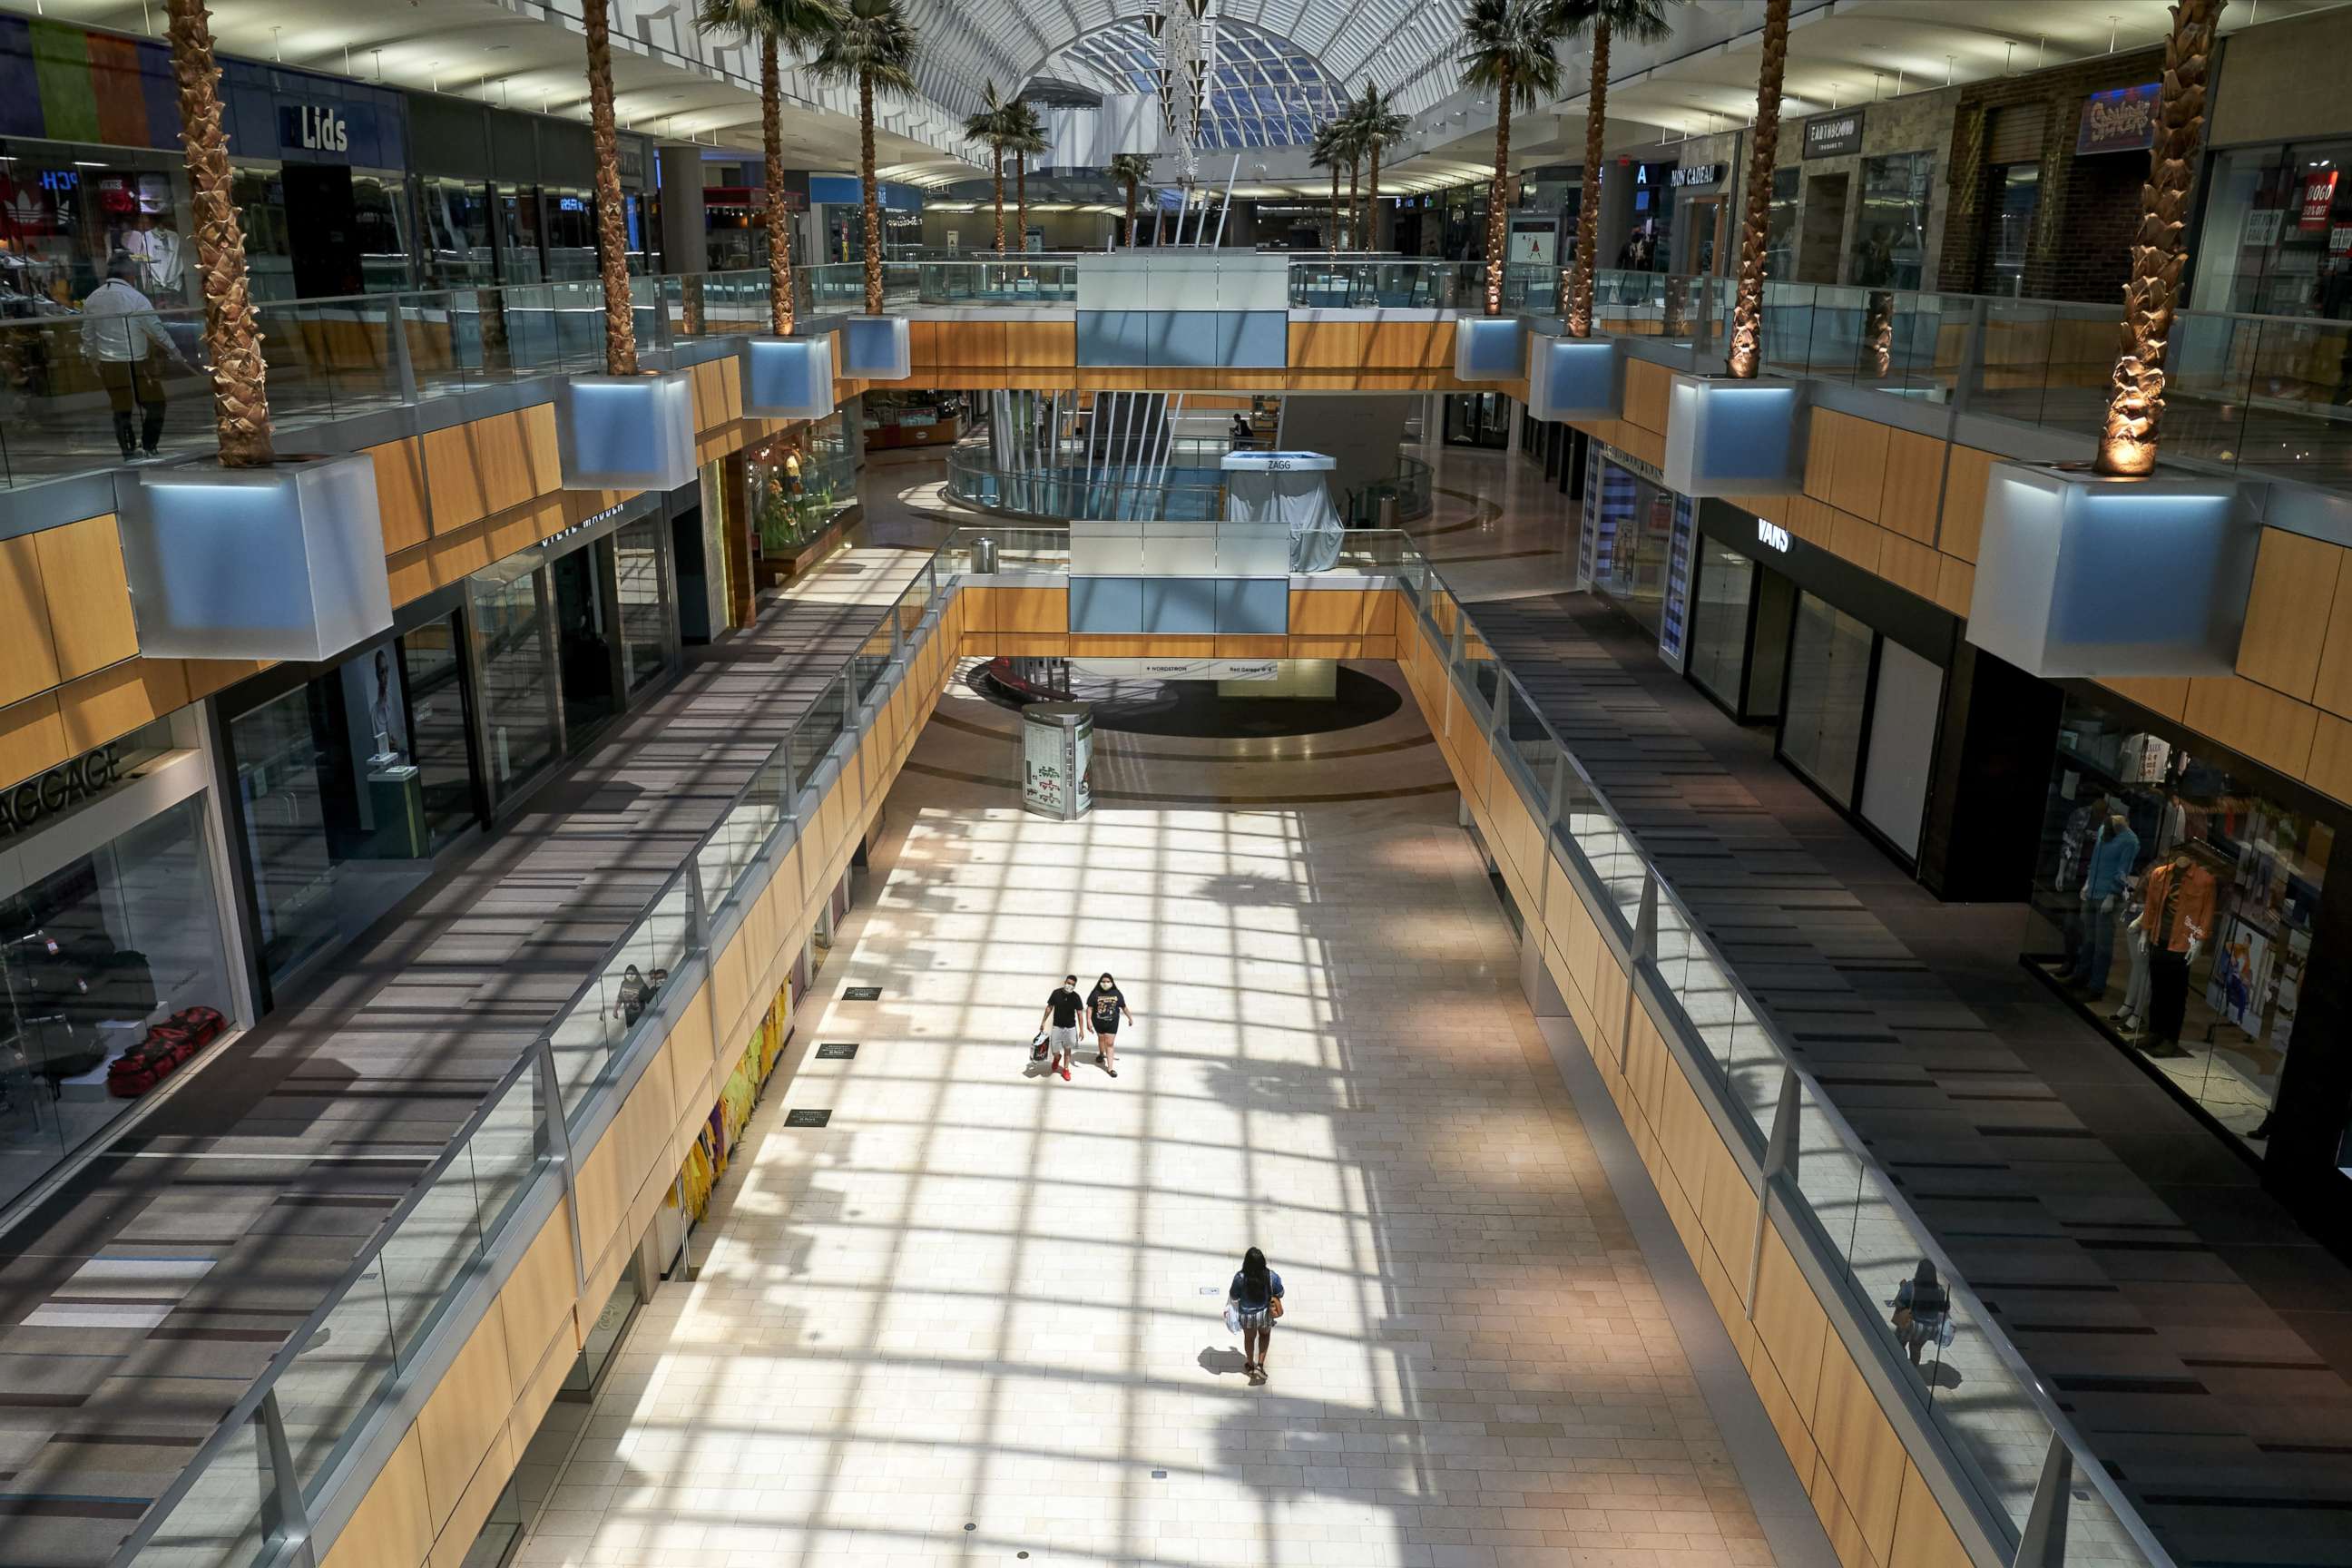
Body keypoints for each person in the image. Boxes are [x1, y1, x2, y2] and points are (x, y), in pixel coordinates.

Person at [81, 253, 188, 461]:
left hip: (110, 363)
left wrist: (93, 358)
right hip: (137, 361)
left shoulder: (93, 298)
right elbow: (155, 328)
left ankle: (128, 452)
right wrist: (174, 351)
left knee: (121, 409)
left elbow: (88, 333)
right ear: (130, 274)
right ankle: (149, 445)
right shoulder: (136, 298)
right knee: (156, 404)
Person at [1227, 1246, 1284, 1383]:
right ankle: (1260, 1365)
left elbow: (1234, 1296)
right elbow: (1280, 1293)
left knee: (1249, 1339)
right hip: (1265, 1314)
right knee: (1265, 1335)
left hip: (1247, 1316)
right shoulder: (1272, 1276)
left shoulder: (1240, 1278)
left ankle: (1250, 1365)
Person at [1890, 1259, 1949, 1367]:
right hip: (1929, 1328)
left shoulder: (1910, 1287)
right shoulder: (1940, 1290)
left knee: (1899, 1345)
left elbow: (1900, 1303)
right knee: (1916, 1350)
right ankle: (1912, 1371)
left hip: (1911, 1324)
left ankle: (1901, 1366)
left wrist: (1902, 1288)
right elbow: (1945, 1307)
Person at [1087, 972, 1135, 1077]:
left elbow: (1124, 1007)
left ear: (1112, 982)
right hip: (1098, 1022)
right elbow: (1090, 1008)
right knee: (1101, 1039)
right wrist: (1089, 1021)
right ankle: (1101, 1053)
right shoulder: (1095, 993)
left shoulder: (1116, 993)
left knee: (1109, 1043)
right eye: (1103, 981)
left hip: (1112, 1024)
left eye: (1108, 981)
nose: (1105, 983)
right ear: (1100, 982)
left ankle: (1110, 1069)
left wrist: (1130, 1017)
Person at [1038, 973, 1083, 1082]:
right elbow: (1049, 1007)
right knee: (1055, 1050)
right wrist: (1043, 1021)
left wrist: (1081, 1030)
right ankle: (1057, 1058)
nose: (1070, 986)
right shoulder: (1056, 993)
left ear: (1074, 986)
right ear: (1065, 982)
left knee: (1068, 1049)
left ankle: (1066, 1069)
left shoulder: (1076, 997)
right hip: (1057, 1027)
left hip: (1070, 1028)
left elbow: (1080, 1014)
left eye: (1072, 984)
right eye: (1068, 983)